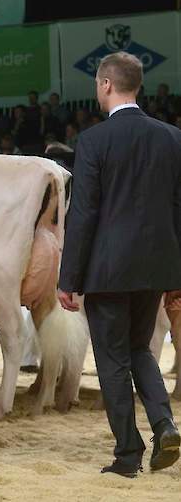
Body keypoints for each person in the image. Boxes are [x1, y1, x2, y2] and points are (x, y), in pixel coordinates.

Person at [58, 51, 181, 477]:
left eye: (97, 84)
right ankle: (164, 424)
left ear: (107, 85)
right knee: (139, 350)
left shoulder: (93, 141)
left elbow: (84, 214)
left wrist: (68, 279)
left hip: (107, 271)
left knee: (112, 363)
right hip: (154, 267)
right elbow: (178, 209)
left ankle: (127, 454)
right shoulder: (171, 137)